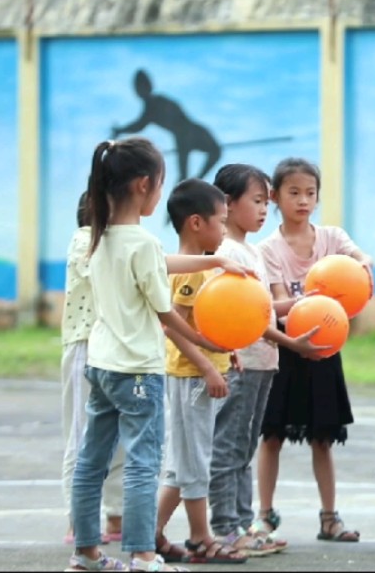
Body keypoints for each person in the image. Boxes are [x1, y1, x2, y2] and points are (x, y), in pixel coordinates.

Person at [65, 137, 245, 572]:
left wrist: (214, 263)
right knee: (144, 464)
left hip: (102, 366)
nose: (161, 194)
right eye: (160, 185)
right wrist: (208, 343)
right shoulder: (140, 243)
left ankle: (86, 553)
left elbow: (159, 261)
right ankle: (144, 554)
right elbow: (166, 315)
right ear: (144, 185)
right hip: (139, 372)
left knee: (93, 461)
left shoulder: (96, 237)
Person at [207, 163, 327, 556]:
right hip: (240, 364)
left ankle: (241, 525)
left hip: (262, 363)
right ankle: (225, 528)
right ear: (227, 203)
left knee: (243, 448)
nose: (264, 210)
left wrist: (301, 311)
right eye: (257, 201)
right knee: (229, 448)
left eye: (265, 202)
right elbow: (246, 318)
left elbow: (262, 313)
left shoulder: (250, 251)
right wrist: (293, 343)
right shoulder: (226, 253)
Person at [254, 157, 374, 544]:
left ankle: (329, 517)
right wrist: (314, 299)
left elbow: (361, 260)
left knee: (323, 437)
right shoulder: (268, 249)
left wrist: (362, 269)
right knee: (271, 435)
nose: (303, 200)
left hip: (324, 348)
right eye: (294, 192)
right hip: (286, 349)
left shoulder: (333, 239)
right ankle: (265, 515)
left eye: (310, 193)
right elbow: (276, 303)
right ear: (274, 197)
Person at [151, 179, 248, 565]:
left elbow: (209, 323)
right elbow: (173, 327)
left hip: (200, 373)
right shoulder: (188, 273)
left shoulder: (202, 269)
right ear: (195, 223)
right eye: (221, 222)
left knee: (181, 463)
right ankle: (200, 538)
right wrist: (209, 366)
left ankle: (150, 533)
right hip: (190, 377)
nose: (225, 230)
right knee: (195, 462)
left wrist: (230, 352)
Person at [61, 191, 124, 547]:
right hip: (86, 344)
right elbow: (110, 273)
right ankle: (78, 519)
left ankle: (116, 515)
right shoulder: (83, 241)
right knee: (83, 436)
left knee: (121, 438)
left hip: (117, 346)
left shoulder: (125, 243)